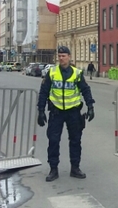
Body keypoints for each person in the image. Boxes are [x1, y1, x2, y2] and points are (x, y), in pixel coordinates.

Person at [37, 46, 95, 182]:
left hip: (73, 112)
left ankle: (75, 168)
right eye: (60, 56)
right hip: (56, 112)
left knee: (75, 141)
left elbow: (86, 90)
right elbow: (43, 92)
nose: (61, 58)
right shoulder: (51, 73)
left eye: (64, 56)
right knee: (53, 140)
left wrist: (90, 106)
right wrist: (40, 110)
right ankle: (53, 169)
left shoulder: (77, 73)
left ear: (69, 56)